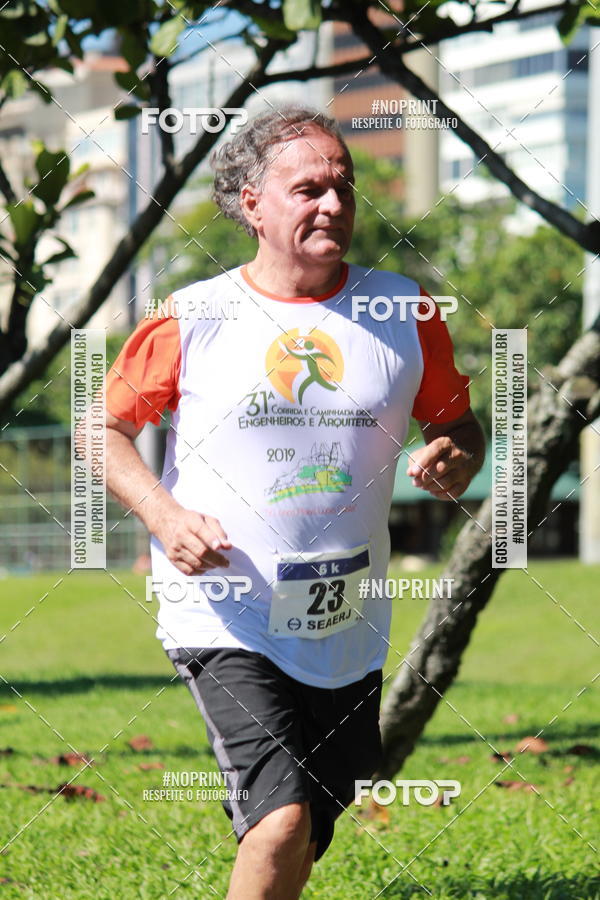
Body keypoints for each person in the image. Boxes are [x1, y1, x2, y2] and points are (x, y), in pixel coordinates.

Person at [104, 105, 485, 899]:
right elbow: (101, 429)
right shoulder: (194, 317)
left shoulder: (404, 312)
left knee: (310, 819)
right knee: (280, 820)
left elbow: (458, 427)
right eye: (308, 188)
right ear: (251, 203)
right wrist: (165, 517)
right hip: (225, 609)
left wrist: (455, 457)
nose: (334, 206)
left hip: (345, 616)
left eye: (343, 188)